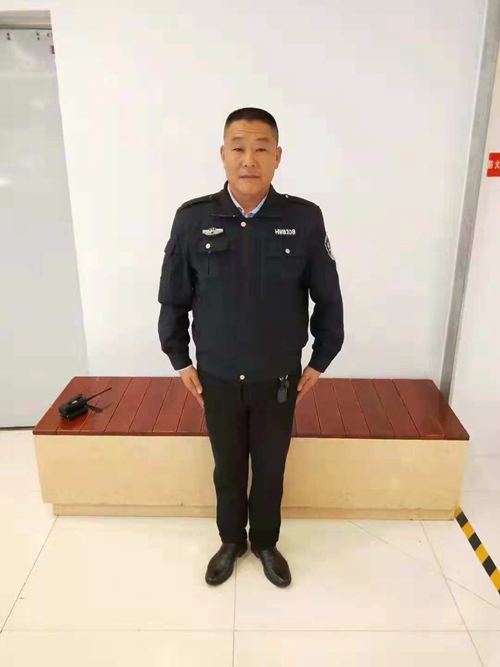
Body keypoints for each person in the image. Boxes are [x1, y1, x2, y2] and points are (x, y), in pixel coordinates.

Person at [158, 107, 344, 588]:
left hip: (277, 377)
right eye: (238, 148)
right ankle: (230, 541)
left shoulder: (303, 219)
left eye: (261, 148)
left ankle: (264, 542)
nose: (249, 159)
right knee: (227, 468)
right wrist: (179, 359)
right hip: (216, 376)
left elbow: (328, 296)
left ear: (277, 156)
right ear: (222, 154)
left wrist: (320, 360)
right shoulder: (193, 218)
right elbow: (173, 296)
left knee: (270, 467)